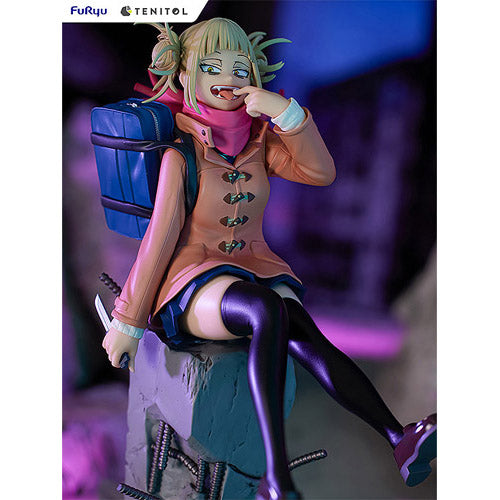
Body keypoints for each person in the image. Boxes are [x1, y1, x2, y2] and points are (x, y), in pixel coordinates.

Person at [102, 18, 436, 500]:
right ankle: (275, 476)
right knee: (267, 311)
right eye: (213, 67)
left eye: (241, 69)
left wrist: (288, 114)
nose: (229, 78)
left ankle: (398, 439)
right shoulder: (181, 152)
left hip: (253, 267)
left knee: (302, 327)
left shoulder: (260, 144)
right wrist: (128, 321)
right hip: (191, 281)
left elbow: (320, 172)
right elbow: (160, 238)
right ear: (186, 75)